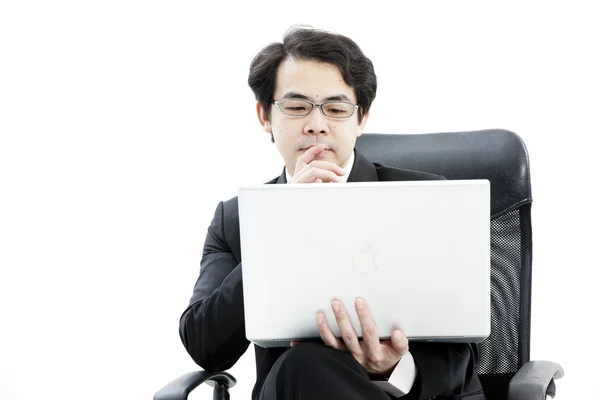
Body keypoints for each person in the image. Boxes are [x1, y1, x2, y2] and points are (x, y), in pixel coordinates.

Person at [179, 26, 486, 400]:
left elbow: (462, 348)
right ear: (264, 116)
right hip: (294, 387)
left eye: (336, 109)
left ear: (362, 119)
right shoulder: (236, 219)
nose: (316, 124)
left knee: (304, 364)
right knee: (302, 364)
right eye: (296, 107)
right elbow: (205, 346)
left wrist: (393, 369)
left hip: (408, 395)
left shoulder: (428, 202)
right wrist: (282, 223)